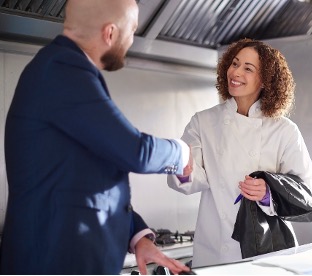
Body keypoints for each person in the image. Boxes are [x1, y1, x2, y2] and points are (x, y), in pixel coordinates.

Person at [0, 0, 192, 274]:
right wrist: (181, 152)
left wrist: (138, 236)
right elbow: (135, 152)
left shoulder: (61, 69)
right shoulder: (63, 70)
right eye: (132, 30)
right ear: (110, 33)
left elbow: (90, 175)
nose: (132, 40)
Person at [167, 38, 312, 267]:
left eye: (248, 68)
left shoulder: (284, 130)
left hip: (268, 253)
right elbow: (192, 179)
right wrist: (179, 164)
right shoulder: (204, 121)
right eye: (234, 63)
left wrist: (269, 193)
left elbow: (304, 190)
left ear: (265, 80)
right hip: (215, 250)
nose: (236, 71)